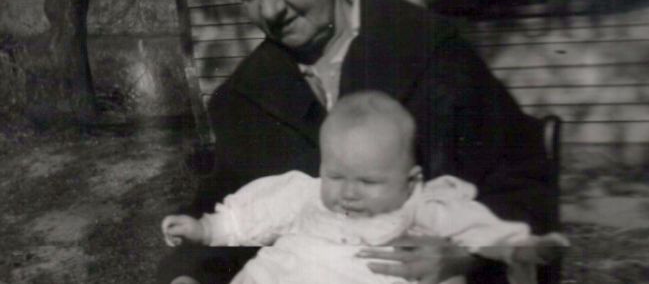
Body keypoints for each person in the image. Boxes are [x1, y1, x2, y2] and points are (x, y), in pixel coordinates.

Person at [157, 0, 556, 283]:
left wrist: (465, 256)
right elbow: (224, 216)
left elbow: (526, 188)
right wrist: (190, 275)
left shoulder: (433, 55)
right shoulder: (243, 99)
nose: (270, 8)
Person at [162, 92, 567, 284]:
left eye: (368, 181)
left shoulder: (422, 206)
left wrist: (516, 246)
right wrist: (208, 228)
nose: (348, 193)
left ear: (410, 181)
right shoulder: (308, 195)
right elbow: (258, 213)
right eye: (336, 176)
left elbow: (475, 226)